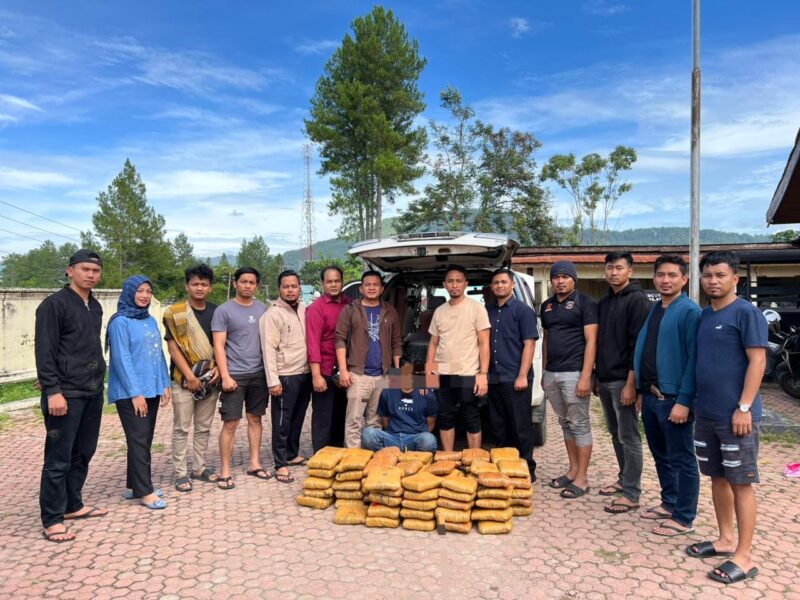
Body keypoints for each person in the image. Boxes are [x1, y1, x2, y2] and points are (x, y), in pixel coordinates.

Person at [689, 251, 767, 585]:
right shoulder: (705, 316)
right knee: (717, 477)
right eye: (708, 275)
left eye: (720, 275)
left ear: (735, 278)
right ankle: (724, 539)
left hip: (736, 417)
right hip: (706, 413)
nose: (713, 281)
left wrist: (744, 407)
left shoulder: (747, 313)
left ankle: (744, 556)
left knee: (741, 482)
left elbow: (758, 361)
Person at [35, 249, 108, 542]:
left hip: (92, 391)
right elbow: (45, 350)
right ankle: (52, 519)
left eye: (95, 270)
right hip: (65, 395)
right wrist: (52, 390)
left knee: (83, 452)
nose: (90, 275)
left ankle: (72, 505)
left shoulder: (95, 306)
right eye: (84, 269)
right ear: (70, 271)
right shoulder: (53, 305)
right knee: (58, 458)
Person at [633, 254, 701, 536]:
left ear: (684, 279)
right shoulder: (657, 308)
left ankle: (684, 517)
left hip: (674, 399)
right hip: (651, 397)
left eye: (672, 275)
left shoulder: (689, 311)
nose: (665, 280)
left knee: (682, 459)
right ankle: (669, 501)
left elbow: (694, 359)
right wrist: (641, 389)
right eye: (661, 274)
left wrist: (684, 401)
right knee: (661, 454)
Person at [107, 275, 172, 510]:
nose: (145, 295)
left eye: (148, 291)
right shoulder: (120, 322)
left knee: (144, 439)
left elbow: (158, 353)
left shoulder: (150, 320)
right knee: (138, 439)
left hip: (151, 388)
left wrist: (165, 383)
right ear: (129, 292)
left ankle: (135, 486)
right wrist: (135, 393)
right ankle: (145, 491)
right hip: (131, 393)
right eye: (139, 291)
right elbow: (121, 359)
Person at [596, 252, 652, 514]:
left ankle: (632, 492)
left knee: (629, 435)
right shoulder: (605, 301)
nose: (614, 272)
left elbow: (637, 346)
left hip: (623, 380)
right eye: (610, 268)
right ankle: (623, 479)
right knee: (615, 432)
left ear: (630, 271)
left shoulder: (638, 300)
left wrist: (632, 384)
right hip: (605, 377)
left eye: (619, 268)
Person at [541, 260, 598, 499]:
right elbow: (546, 339)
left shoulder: (586, 303)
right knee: (565, 422)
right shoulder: (546, 306)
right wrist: (544, 371)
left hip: (574, 372)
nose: (560, 281)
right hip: (552, 372)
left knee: (579, 424)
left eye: (565, 276)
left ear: (574, 279)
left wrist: (586, 376)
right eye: (556, 277)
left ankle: (582, 479)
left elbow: (592, 341)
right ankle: (572, 470)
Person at [162, 264, 220, 493]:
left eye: (204, 284)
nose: (199, 288)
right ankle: (180, 473)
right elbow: (173, 348)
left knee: (203, 427)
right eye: (195, 284)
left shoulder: (217, 312)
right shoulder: (175, 314)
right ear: (187, 286)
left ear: (210, 288)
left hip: (210, 379)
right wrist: (189, 376)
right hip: (183, 381)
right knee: (182, 428)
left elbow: (222, 344)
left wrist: (219, 369)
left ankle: (199, 467)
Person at [211, 267, 269, 490]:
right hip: (234, 375)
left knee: (255, 419)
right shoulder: (224, 311)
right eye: (243, 281)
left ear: (256, 285)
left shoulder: (263, 309)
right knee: (231, 423)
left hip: (259, 374)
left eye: (252, 282)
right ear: (235, 283)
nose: (247, 285)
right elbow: (219, 345)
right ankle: (225, 470)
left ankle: (254, 463)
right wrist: (225, 376)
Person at [425, 265, 491, 451]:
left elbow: (484, 343)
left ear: (466, 284)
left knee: (471, 416)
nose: (454, 285)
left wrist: (482, 374)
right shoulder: (439, 311)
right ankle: (448, 457)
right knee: (445, 416)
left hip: (468, 372)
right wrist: (429, 369)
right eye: (450, 281)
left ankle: (474, 458)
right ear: (444, 284)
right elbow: (433, 343)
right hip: (443, 373)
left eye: (458, 281)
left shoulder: (477, 309)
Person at [335, 270, 402, 448]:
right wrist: (343, 370)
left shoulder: (390, 311)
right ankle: (353, 457)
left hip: (382, 375)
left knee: (376, 421)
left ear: (382, 289)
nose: (372, 288)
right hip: (358, 374)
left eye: (376, 285)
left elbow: (396, 343)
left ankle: (374, 456)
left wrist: (395, 372)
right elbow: (340, 339)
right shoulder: (350, 309)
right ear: (361, 288)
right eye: (368, 284)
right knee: (354, 420)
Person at [486, 268, 540, 480]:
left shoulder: (523, 311)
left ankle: (527, 470)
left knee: (520, 427)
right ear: (492, 287)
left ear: (512, 285)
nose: (500, 285)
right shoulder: (488, 311)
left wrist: (522, 375)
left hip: (515, 378)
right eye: (496, 283)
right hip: (494, 378)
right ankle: (503, 468)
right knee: (498, 427)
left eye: (503, 282)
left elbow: (529, 344)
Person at [260, 269, 312, 484]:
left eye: (294, 286)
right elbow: (268, 349)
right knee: (282, 421)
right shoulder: (272, 315)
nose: (290, 290)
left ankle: (292, 454)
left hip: (305, 372)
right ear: (279, 289)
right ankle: (280, 463)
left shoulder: (305, 309)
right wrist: (273, 381)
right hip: (285, 375)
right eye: (286, 286)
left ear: (300, 288)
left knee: (298, 417)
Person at [306, 265, 352, 451]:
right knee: (323, 416)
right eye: (329, 281)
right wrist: (316, 375)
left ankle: (337, 452)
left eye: (337, 281)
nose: (333, 285)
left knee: (341, 414)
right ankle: (321, 455)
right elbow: (313, 343)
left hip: (345, 370)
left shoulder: (350, 304)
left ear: (342, 282)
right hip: (324, 370)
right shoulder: (316, 309)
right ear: (322, 283)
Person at [361, 363, 438, 452]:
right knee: (368, 433)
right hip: (392, 437)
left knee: (429, 440)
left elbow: (431, 421)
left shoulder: (427, 395)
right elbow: (385, 420)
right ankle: (391, 453)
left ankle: (407, 454)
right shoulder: (387, 392)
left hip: (415, 437)